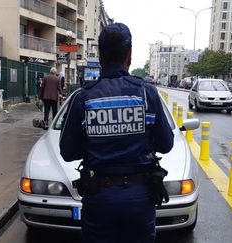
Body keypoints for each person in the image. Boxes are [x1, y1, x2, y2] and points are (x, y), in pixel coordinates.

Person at [59, 23, 174, 243]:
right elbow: (166, 145)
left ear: (100, 57)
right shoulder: (147, 93)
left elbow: (67, 152)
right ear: (129, 56)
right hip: (140, 198)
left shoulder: (84, 98)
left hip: (99, 198)